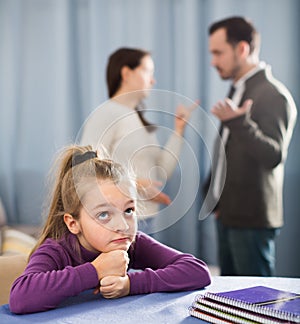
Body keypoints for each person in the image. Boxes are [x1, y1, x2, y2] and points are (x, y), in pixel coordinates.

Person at [9, 145, 211, 314]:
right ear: (73, 223)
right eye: (104, 215)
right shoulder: (56, 250)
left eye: (129, 210)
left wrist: (131, 284)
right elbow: (20, 298)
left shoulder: (132, 243)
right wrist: (96, 271)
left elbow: (197, 271)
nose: (122, 226)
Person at [206, 16, 297, 276]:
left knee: (255, 304)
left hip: (251, 218)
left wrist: (240, 123)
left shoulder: (272, 94)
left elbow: (274, 155)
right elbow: (228, 148)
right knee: (231, 303)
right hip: (229, 214)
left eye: (218, 53)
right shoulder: (239, 89)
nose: (213, 61)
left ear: (242, 49)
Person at [80, 47, 196, 219]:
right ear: (126, 73)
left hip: (144, 218)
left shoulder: (136, 118)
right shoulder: (106, 113)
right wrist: (137, 185)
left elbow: (162, 170)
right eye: (148, 72)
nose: (153, 81)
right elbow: (86, 169)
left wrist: (179, 130)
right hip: (118, 221)